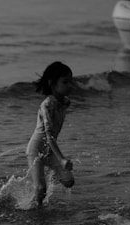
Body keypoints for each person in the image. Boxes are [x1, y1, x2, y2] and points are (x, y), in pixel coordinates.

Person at [26, 61, 75, 207]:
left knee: (69, 181)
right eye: (65, 82)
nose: (69, 85)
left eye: (70, 81)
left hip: (49, 150)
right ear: (52, 83)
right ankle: (36, 211)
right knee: (41, 189)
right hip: (36, 149)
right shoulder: (47, 105)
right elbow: (49, 136)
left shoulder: (65, 102)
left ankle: (49, 178)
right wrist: (61, 159)